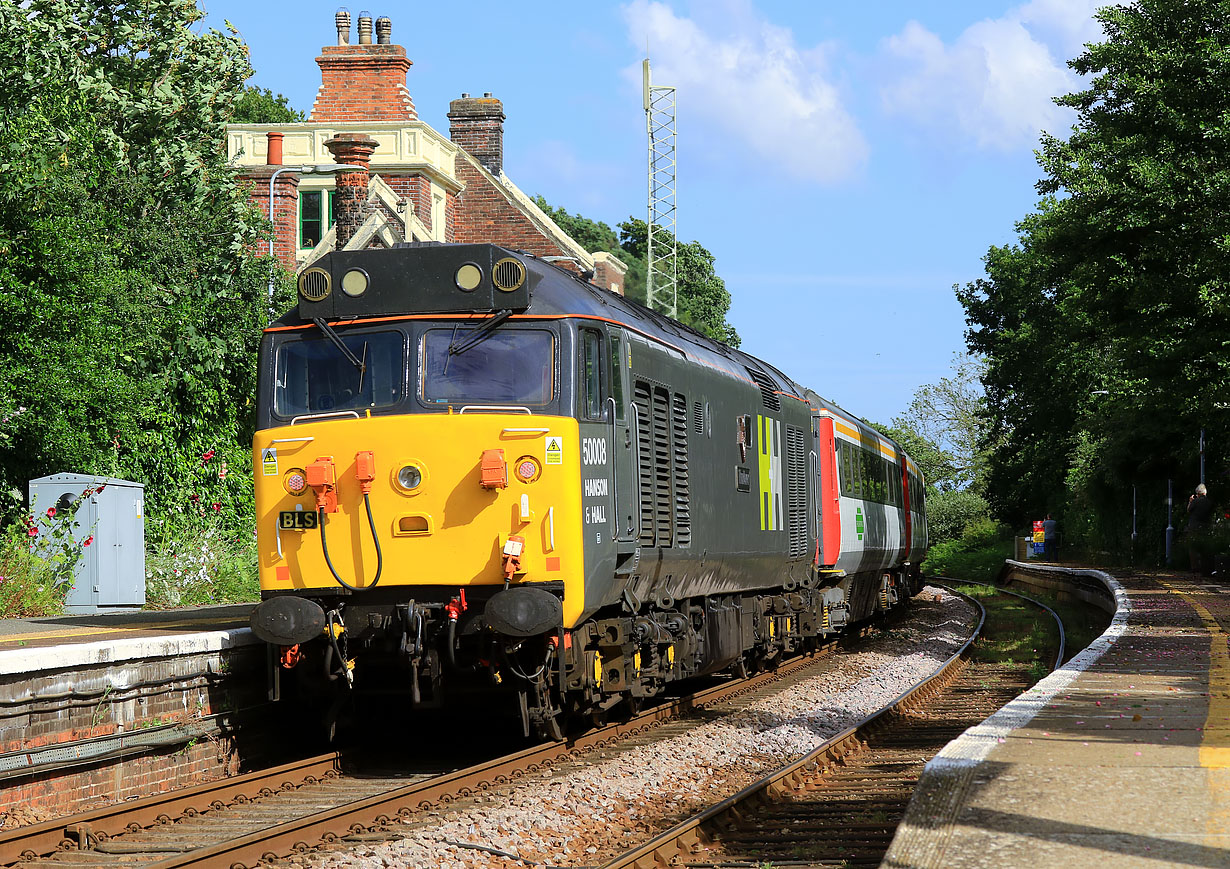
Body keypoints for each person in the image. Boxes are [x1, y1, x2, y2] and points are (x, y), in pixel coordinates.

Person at [1187, 483, 1213, 573]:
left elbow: (1189, 510)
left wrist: (1190, 501)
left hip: (1194, 527)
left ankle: (1195, 567)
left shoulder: (1195, 501)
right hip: (1206, 526)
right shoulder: (1209, 502)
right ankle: (1205, 567)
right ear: (1205, 493)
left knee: (1193, 547)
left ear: (1198, 493)